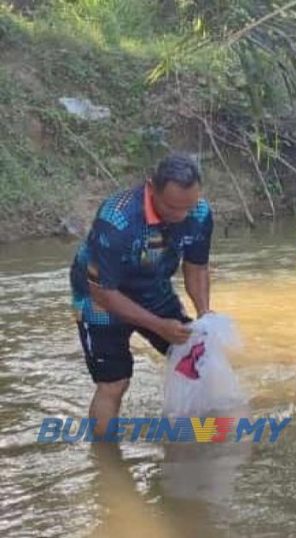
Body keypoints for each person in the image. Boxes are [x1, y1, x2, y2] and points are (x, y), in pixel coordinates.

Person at [70, 153, 213, 437]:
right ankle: (106, 462)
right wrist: (159, 326)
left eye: (189, 206)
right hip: (99, 300)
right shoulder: (117, 219)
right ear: (151, 187)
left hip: (153, 289)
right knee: (114, 383)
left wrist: (204, 314)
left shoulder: (199, 213)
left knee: (198, 360)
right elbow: (104, 294)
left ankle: (196, 440)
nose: (182, 216)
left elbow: (196, 267)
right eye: (173, 207)